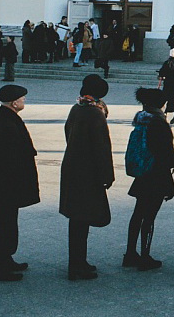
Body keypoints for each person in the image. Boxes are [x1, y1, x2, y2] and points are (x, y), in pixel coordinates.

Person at [60, 74, 114, 280]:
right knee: (82, 219)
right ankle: (76, 266)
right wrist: (107, 175)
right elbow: (102, 148)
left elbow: (68, 134)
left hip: (73, 168)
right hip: (88, 173)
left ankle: (77, 261)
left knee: (77, 219)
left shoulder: (76, 108)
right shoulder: (95, 114)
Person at [0, 84, 38, 281]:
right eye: (22, 98)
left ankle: (3, 257)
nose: (24, 101)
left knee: (7, 222)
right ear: (14, 102)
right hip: (6, 185)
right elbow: (10, 157)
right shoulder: (5, 122)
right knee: (4, 224)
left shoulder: (5, 118)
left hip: (5, 184)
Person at [124, 87, 174, 273]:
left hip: (142, 173)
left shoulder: (142, 119)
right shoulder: (158, 122)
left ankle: (130, 252)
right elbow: (165, 151)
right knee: (149, 216)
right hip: (156, 174)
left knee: (138, 213)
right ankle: (144, 255)